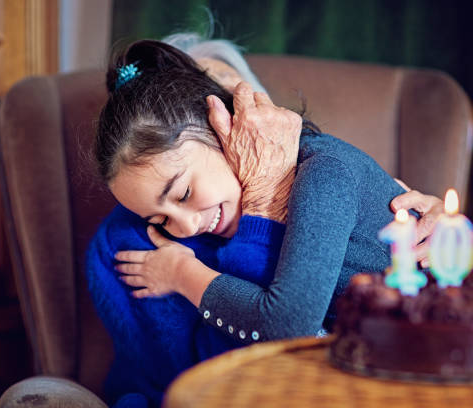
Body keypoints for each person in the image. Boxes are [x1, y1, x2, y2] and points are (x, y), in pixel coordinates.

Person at [88, 39, 444, 407]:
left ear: (222, 124)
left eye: (182, 194)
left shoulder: (323, 172)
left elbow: (286, 327)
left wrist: (183, 274)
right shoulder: (134, 237)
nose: (187, 226)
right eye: (161, 219)